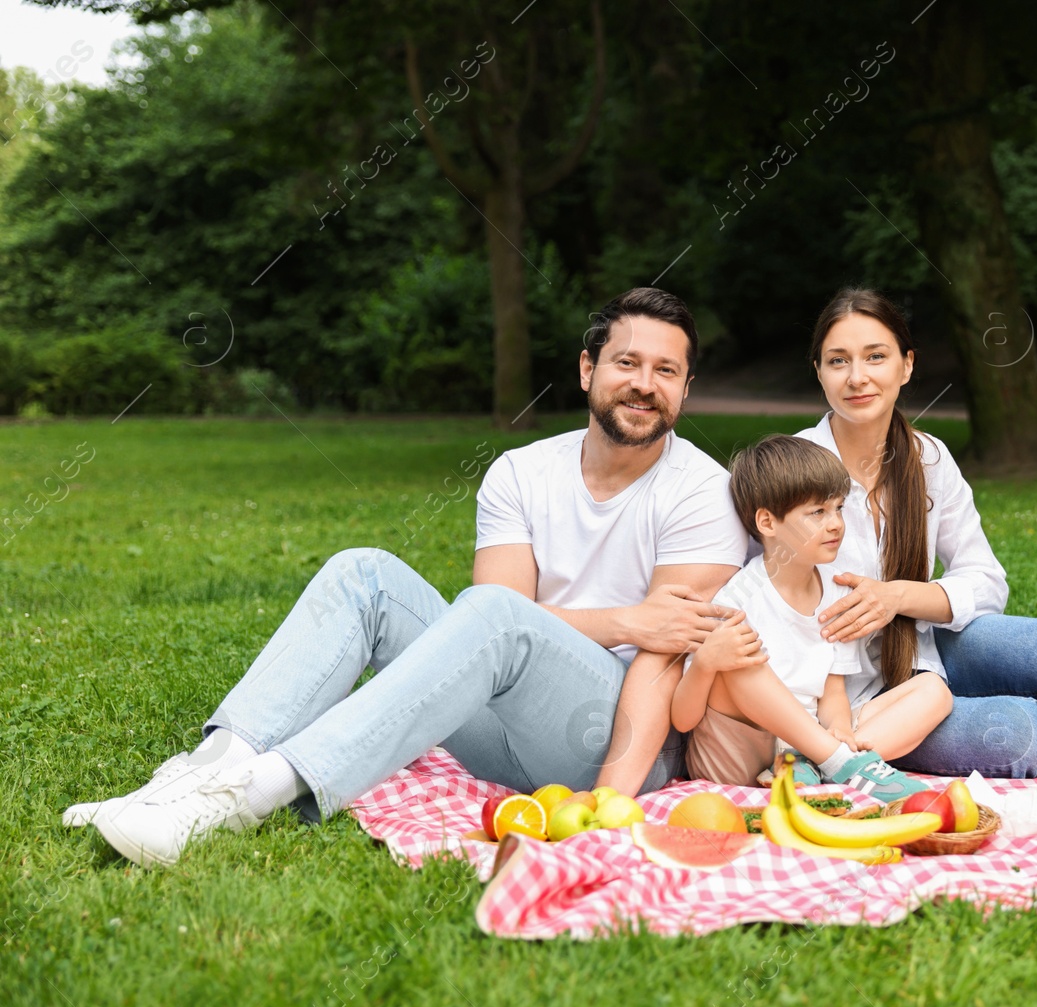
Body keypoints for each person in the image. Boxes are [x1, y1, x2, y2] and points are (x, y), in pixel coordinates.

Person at [67, 287, 749, 866]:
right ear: (585, 369)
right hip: (504, 728)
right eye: (627, 362)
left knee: (495, 613)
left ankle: (250, 795)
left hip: (620, 740)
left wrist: (610, 792)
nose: (644, 383)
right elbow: (507, 617)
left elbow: (657, 656)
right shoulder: (521, 471)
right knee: (363, 573)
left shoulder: (700, 492)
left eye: (666, 370)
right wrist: (622, 620)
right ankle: (206, 770)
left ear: (685, 390)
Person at [797, 287, 1037, 779]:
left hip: (924, 648)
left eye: (876, 356)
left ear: (906, 365)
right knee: (1024, 739)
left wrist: (898, 596)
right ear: (819, 373)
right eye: (837, 361)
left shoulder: (927, 458)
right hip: (853, 701)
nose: (857, 377)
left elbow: (986, 581)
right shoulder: (791, 470)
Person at [671, 435, 949, 799]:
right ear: (768, 523)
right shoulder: (739, 599)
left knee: (935, 690)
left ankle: (824, 762)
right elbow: (683, 719)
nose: (835, 524)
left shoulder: (835, 592)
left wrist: (839, 728)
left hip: (807, 754)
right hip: (741, 755)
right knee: (739, 655)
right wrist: (706, 663)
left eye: (838, 508)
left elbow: (832, 692)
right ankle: (840, 762)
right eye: (818, 512)